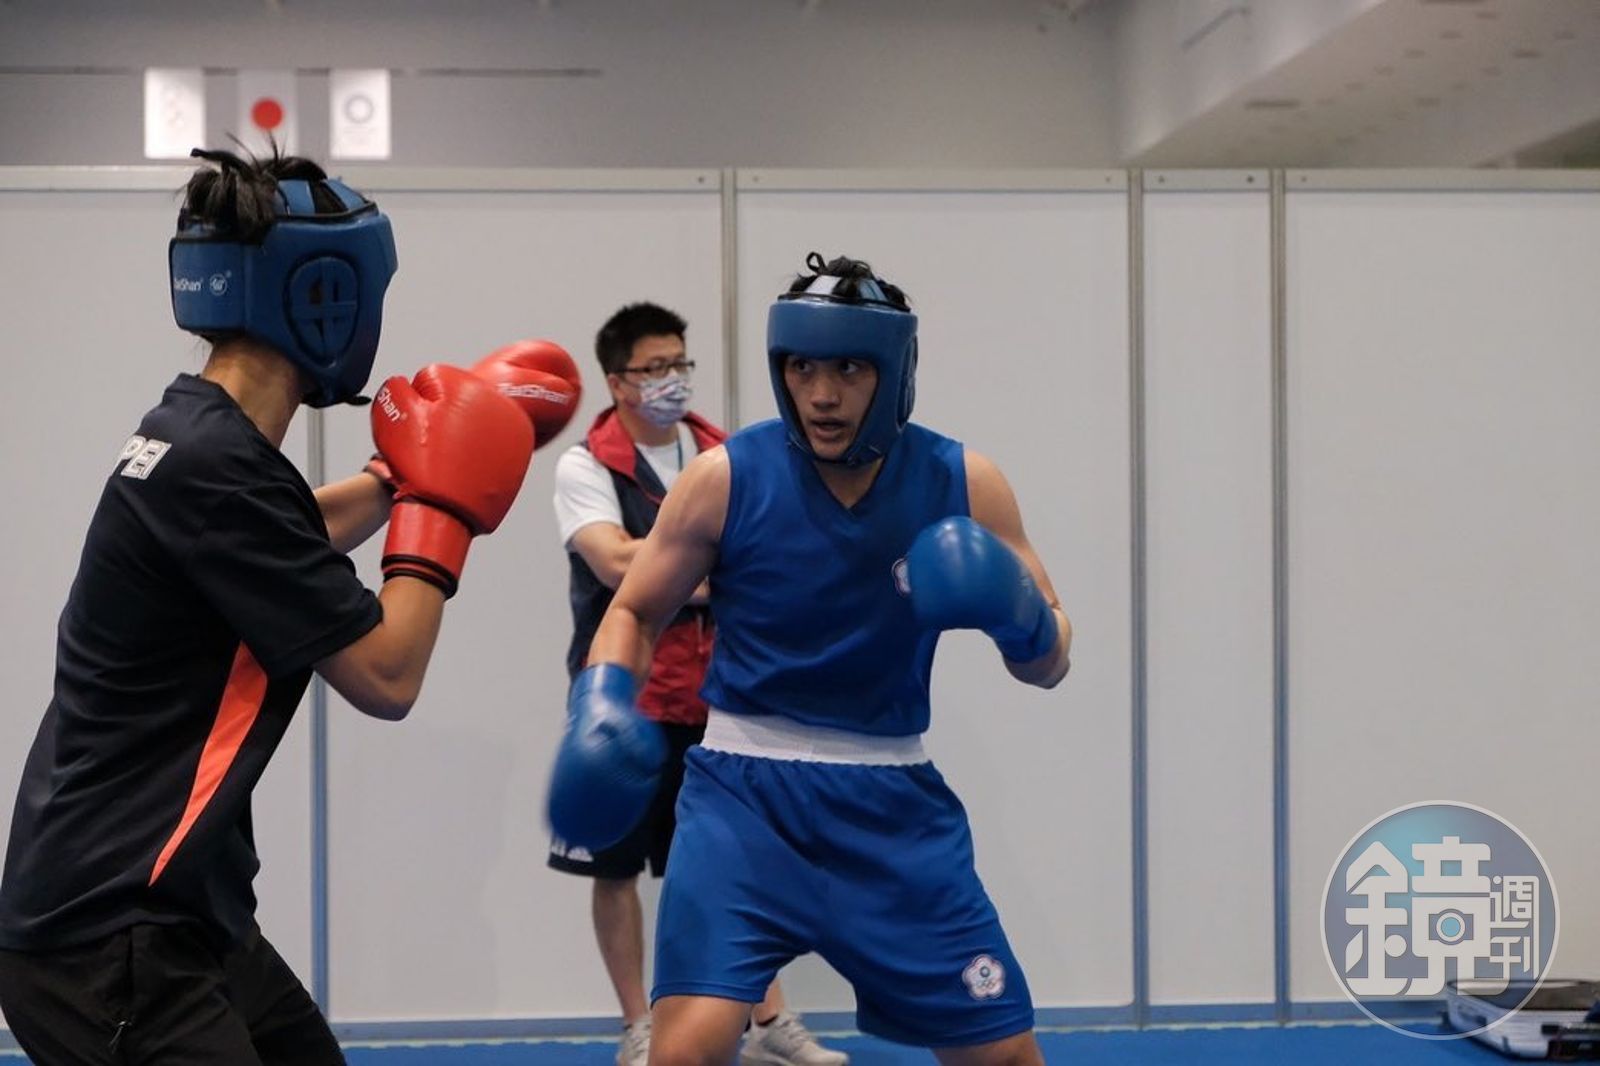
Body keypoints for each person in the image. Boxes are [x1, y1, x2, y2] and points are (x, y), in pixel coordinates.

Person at [0, 147, 562, 1065]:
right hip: (108, 938)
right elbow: (388, 674)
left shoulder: (190, 432)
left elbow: (282, 541)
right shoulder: (220, 471)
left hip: (181, 915)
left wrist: (401, 472)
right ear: (327, 292)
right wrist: (443, 504)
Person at [547, 253, 1072, 1066]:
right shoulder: (725, 477)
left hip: (893, 805)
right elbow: (636, 610)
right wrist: (603, 701)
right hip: (741, 799)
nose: (821, 394)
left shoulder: (964, 481)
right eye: (802, 368)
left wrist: (1020, 616)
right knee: (685, 1053)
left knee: (1003, 1057)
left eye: (848, 369)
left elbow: (1052, 661)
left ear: (893, 370)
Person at [550, 302, 846, 1066]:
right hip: (625, 702)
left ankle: (768, 1018)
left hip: (724, 700)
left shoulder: (724, 454)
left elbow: (768, 550)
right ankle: (637, 1024)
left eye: (679, 364)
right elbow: (615, 564)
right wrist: (711, 561)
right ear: (617, 381)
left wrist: (701, 560)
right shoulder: (586, 464)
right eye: (654, 368)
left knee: (742, 864)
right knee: (615, 869)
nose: (672, 380)